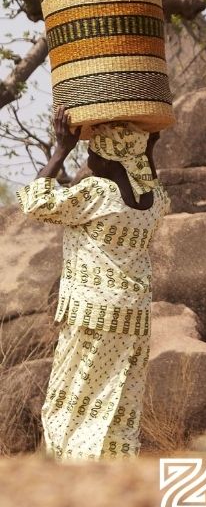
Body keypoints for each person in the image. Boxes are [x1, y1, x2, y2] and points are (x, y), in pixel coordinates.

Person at [18, 107, 168, 461]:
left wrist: (61, 149)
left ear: (109, 154)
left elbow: (35, 203)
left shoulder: (97, 193)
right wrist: (147, 148)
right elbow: (147, 179)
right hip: (133, 316)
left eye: (94, 150)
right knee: (120, 402)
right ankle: (116, 473)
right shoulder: (155, 200)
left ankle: (75, 471)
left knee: (72, 399)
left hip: (93, 315)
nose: (91, 158)